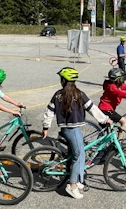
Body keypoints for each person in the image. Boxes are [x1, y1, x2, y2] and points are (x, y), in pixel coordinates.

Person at [42, 67, 108, 199]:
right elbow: (92, 109)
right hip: (73, 130)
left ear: (63, 81)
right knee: (79, 154)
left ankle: (78, 178)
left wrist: (46, 127)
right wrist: (105, 119)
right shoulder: (79, 94)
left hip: (66, 129)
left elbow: (49, 111)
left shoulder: (58, 95)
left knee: (79, 153)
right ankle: (72, 185)